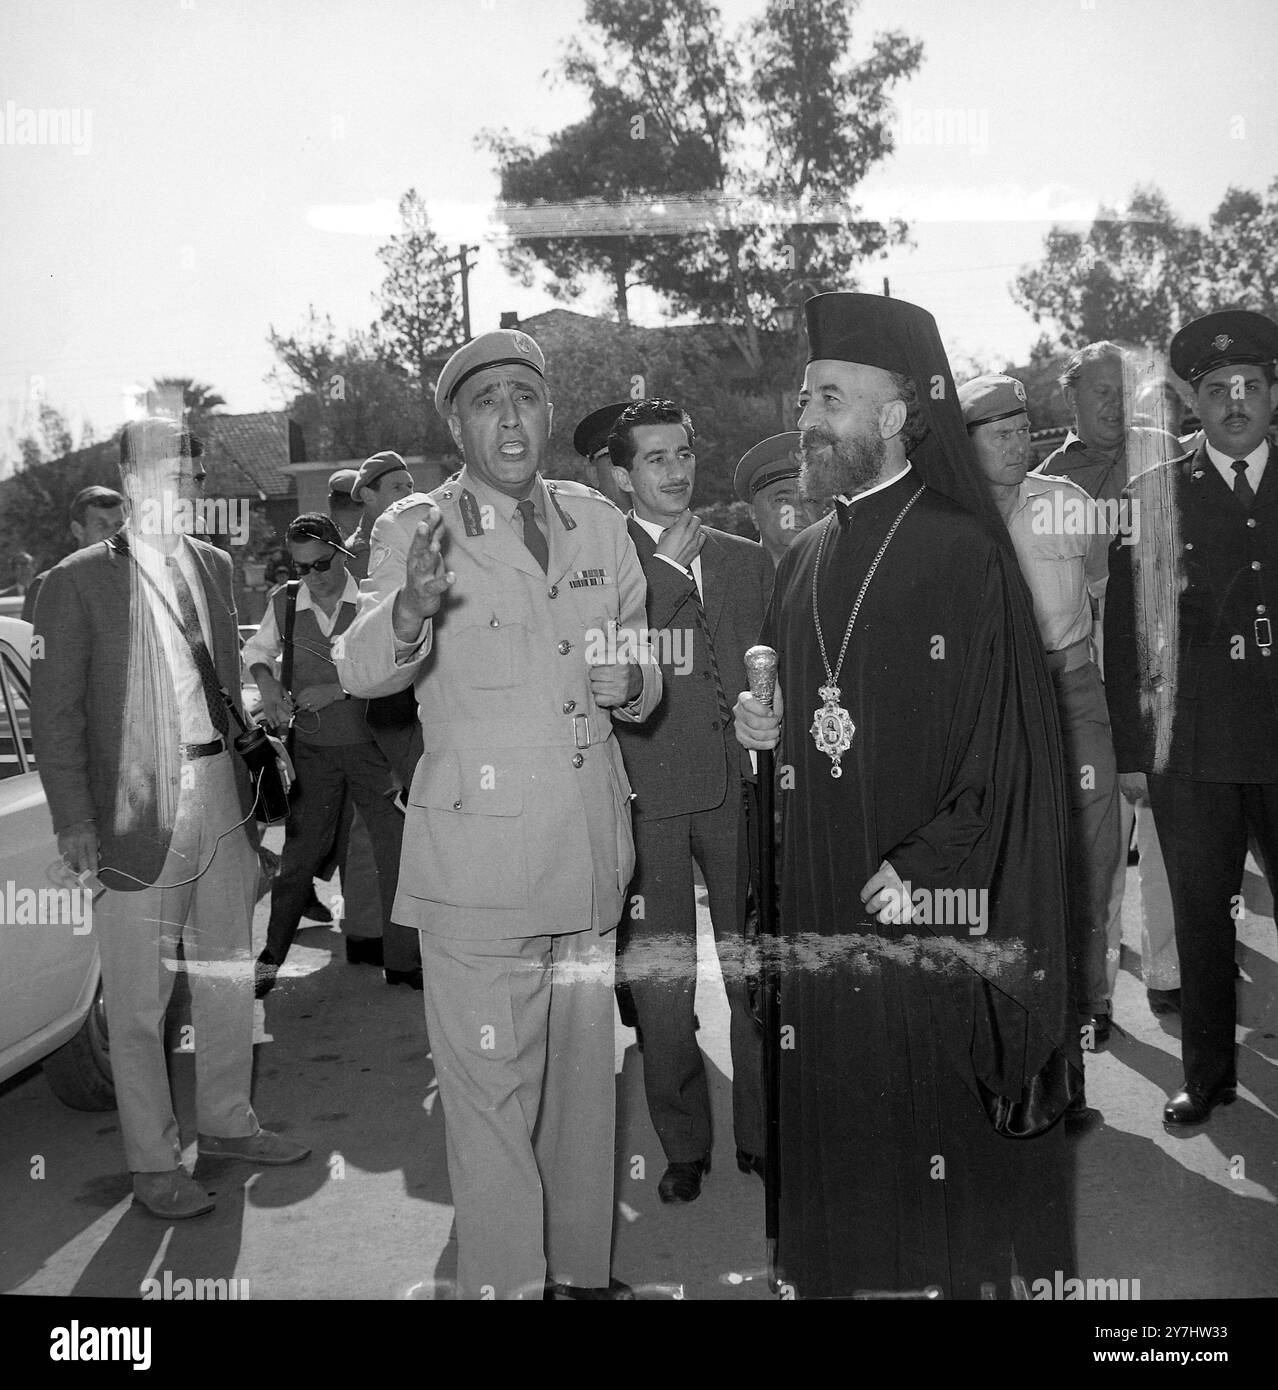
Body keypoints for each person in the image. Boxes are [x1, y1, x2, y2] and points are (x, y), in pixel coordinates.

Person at [733, 293, 1075, 1300]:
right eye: (806, 397)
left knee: (940, 1175)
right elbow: (814, 736)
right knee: (839, 1166)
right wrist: (768, 739)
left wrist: (923, 869)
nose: (809, 418)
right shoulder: (799, 564)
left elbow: (1011, 755)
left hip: (925, 917)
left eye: (831, 397)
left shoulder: (966, 556)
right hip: (822, 917)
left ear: (893, 417)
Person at [336, 328, 661, 1300]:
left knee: (579, 1088)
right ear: (456, 423)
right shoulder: (416, 527)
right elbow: (359, 665)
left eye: (526, 395)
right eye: (488, 401)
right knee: (489, 1101)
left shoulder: (599, 521)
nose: (511, 415)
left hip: (591, 848)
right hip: (479, 868)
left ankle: (578, 1277)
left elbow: (642, 666)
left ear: (548, 411)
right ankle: (508, 1287)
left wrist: (635, 678)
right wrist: (408, 611)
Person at [31, 418, 310, 1221]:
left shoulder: (214, 566)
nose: (176, 486)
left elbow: (222, 687)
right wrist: (74, 821)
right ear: (125, 475)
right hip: (132, 813)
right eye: (159, 472)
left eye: (187, 472)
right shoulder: (75, 582)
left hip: (220, 793)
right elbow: (56, 721)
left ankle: (226, 1123)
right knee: (141, 1000)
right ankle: (153, 1163)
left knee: (227, 976)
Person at [1105, 309, 1278, 1127]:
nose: (1234, 402)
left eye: (1249, 386)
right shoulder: (1156, 497)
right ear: (1195, 404)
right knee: (1203, 921)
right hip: (1196, 752)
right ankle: (1206, 1076)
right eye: (1217, 390)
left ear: (1272, 395)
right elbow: (1128, 636)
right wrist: (1136, 753)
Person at [608, 397, 770, 1203]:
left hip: (739, 793)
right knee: (663, 987)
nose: (674, 472)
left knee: (754, 973)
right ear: (621, 473)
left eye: (682, 454)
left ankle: (765, 1133)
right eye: (654, 459)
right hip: (650, 796)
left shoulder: (745, 558)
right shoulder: (606, 564)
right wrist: (667, 573)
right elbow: (616, 665)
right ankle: (683, 1145)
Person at [958, 373, 1121, 1116]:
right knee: (1008, 883)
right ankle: (1009, 1058)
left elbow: (1102, 600)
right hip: (991, 709)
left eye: (1024, 429)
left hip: (1072, 693)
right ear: (967, 444)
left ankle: (1082, 1026)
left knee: (1085, 868)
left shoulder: (1071, 507)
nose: (1018, 444)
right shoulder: (951, 523)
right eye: (999, 433)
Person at [1034, 342, 1180, 1021]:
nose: (1113, 404)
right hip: (1096, 682)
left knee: (1176, 837)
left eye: (1123, 391)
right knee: (1100, 848)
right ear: (1071, 398)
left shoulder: (1166, 457)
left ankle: (1172, 970)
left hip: (1175, 675)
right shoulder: (1052, 482)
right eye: (1098, 391)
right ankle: (1095, 992)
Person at [245, 513, 419, 995]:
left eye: (321, 563)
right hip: (315, 754)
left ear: (342, 553)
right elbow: (257, 652)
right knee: (298, 857)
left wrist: (338, 688)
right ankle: (271, 956)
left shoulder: (370, 602)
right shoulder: (284, 604)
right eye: (300, 567)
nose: (312, 577)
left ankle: (405, 963)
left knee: (395, 854)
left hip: (371, 752)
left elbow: (393, 666)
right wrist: (268, 684)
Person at [22, 486, 126, 623]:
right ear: (78, 530)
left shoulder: (137, 583)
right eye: (101, 525)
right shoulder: (49, 584)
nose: (113, 534)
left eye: (118, 525)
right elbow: (35, 643)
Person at [732, 432, 825, 568]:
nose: (798, 510)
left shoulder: (841, 579)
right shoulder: (729, 580)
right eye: (782, 500)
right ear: (753, 513)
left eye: (810, 501)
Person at [345, 450, 415, 582]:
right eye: (397, 487)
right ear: (368, 495)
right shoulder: (362, 554)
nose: (409, 495)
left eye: (409, 486)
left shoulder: (404, 538)